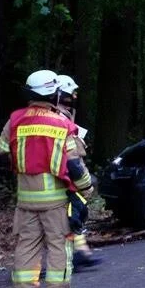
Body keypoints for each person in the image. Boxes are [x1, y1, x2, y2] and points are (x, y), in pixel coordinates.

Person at [0, 70, 93, 288]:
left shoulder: (15, 120)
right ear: (54, 93)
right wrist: (87, 189)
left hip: (25, 200)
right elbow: (74, 165)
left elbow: (1, 149)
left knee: (26, 247)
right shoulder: (61, 123)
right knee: (60, 246)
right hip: (55, 201)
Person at [56, 75, 101, 267]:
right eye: (71, 93)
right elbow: (70, 155)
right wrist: (85, 183)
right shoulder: (57, 117)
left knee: (77, 212)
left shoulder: (63, 114)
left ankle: (81, 253)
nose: (74, 96)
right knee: (71, 215)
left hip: (67, 176)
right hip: (63, 176)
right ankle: (69, 259)